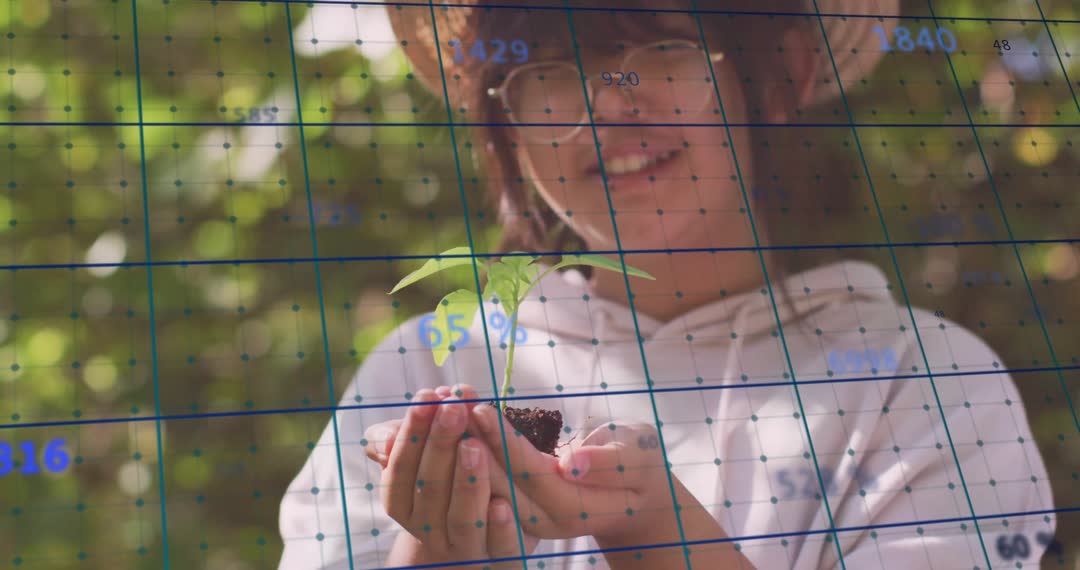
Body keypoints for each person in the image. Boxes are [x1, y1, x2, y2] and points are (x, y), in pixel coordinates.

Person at [279, 1, 1057, 568]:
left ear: (781, 74)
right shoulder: (428, 367)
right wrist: (436, 549)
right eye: (547, 70)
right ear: (506, 127)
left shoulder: (926, 385)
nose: (605, 106)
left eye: (659, 50)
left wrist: (655, 531)